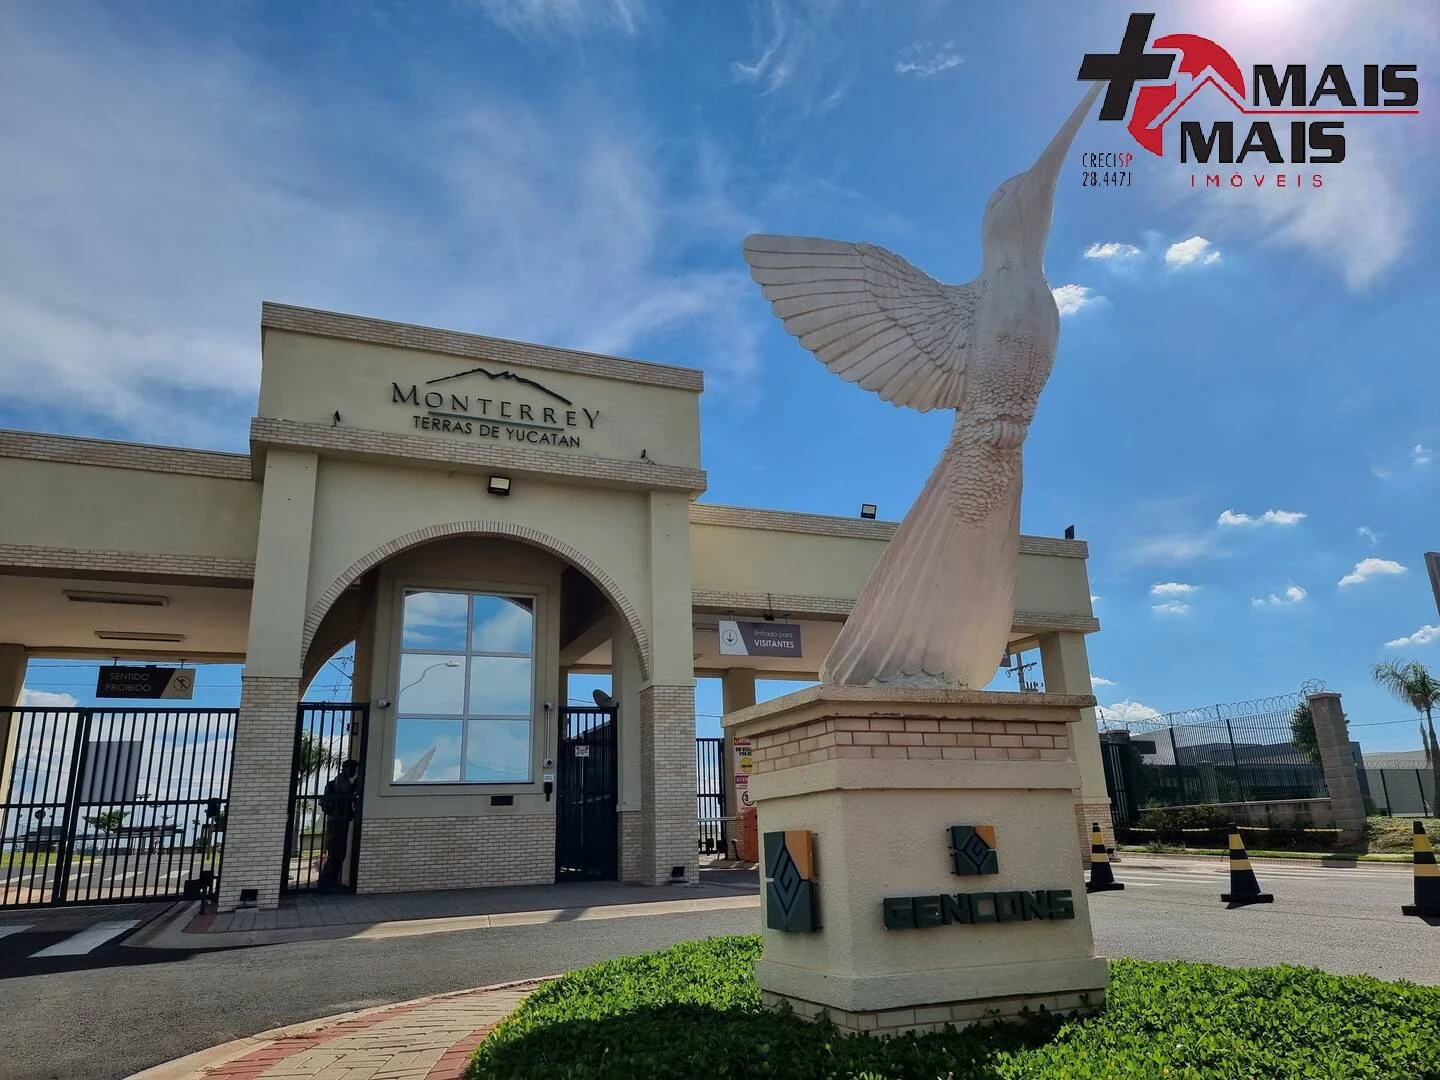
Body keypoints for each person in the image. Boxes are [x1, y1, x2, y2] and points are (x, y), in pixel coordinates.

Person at [318, 760, 359, 889]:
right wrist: (355, 778)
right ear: (347, 769)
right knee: (336, 852)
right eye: (354, 769)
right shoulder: (341, 781)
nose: (354, 772)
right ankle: (327, 883)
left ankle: (330, 881)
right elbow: (347, 791)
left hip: (339, 820)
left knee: (339, 853)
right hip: (337, 820)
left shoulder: (339, 781)